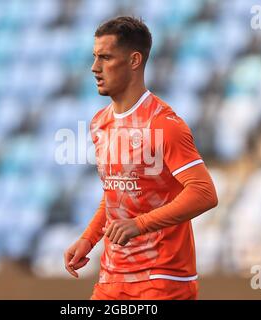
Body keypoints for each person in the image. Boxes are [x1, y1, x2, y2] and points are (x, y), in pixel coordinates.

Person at [63, 16, 218, 300]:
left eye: (106, 58)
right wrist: (89, 239)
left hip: (162, 278)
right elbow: (116, 192)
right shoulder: (100, 123)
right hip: (112, 277)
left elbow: (204, 193)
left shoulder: (164, 123)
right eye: (95, 57)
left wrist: (140, 224)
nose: (94, 68)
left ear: (134, 60)